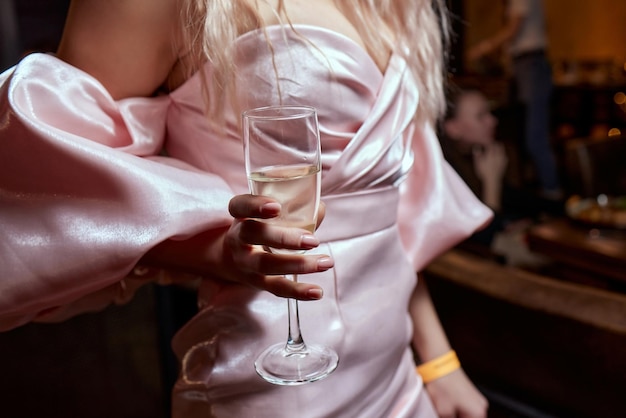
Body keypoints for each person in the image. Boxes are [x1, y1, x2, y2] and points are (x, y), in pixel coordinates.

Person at [0, 0, 492, 416]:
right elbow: (58, 183)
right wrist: (210, 248)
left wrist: (438, 360)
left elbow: (382, 221)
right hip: (276, 385)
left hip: (399, 379)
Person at [468, 0, 562, 200]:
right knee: (525, 133)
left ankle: (552, 195)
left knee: (535, 137)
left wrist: (484, 48)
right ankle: (539, 194)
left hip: (531, 65)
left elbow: (513, 28)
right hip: (525, 66)